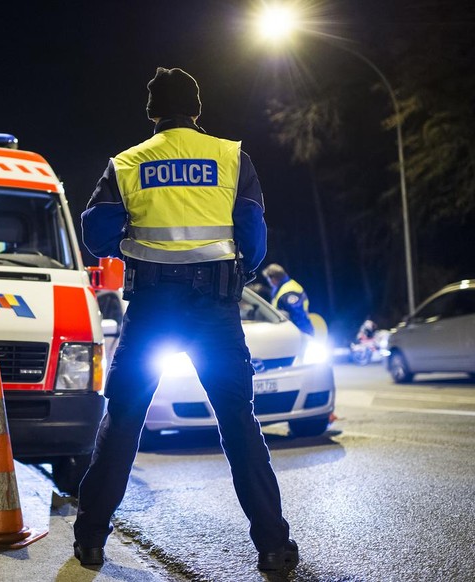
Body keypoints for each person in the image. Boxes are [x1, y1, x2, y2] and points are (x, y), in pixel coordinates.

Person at [75, 66, 298, 573]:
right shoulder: (230, 155)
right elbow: (254, 238)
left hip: (152, 309)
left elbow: (96, 233)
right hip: (214, 312)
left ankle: (90, 539)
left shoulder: (127, 163)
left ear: (152, 113)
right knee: (239, 426)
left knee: (124, 420)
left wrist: (134, 236)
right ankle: (273, 548)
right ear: (197, 110)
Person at [262, 263, 315, 336]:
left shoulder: (288, 292)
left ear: (273, 278)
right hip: (294, 331)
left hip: (299, 332)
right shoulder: (282, 287)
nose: (269, 282)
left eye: (268, 279)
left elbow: (298, 316)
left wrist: (300, 335)